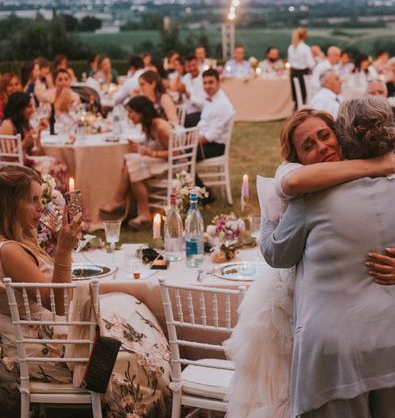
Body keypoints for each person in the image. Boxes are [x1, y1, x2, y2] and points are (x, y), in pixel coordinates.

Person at [224, 108, 395, 417]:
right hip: (302, 313)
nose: (321, 148)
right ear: (297, 157)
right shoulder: (305, 186)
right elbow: (277, 250)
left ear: (339, 134)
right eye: (308, 146)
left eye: (324, 136)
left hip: (347, 328)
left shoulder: (369, 181)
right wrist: (268, 213)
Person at [0, 165, 170, 417]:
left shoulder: (18, 242)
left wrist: (61, 245)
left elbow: (58, 297)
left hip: (48, 333)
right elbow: (58, 305)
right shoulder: (9, 250)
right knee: (130, 347)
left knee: (127, 311)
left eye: (40, 199)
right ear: (10, 205)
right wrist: (64, 250)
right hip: (39, 347)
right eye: (32, 200)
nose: (40, 207)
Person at [100, 96, 172, 229]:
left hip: (172, 165)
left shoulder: (161, 126)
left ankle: (120, 201)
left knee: (132, 164)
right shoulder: (148, 125)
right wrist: (140, 147)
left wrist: (152, 153)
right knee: (131, 161)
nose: (129, 116)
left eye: (131, 112)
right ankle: (141, 213)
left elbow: (175, 153)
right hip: (159, 161)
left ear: (141, 112)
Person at [196, 68, 234, 160]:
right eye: (205, 83)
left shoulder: (222, 104)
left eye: (210, 82)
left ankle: (186, 174)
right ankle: (190, 174)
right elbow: (204, 123)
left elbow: (212, 135)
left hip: (216, 146)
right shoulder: (211, 98)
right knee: (178, 150)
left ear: (218, 82)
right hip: (206, 140)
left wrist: (192, 142)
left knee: (183, 154)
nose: (207, 86)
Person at [287, 27, 315, 107]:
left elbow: (290, 62)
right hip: (303, 74)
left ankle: (297, 109)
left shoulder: (291, 47)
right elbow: (310, 64)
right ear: (304, 36)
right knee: (304, 95)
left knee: (296, 95)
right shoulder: (305, 48)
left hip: (293, 73)